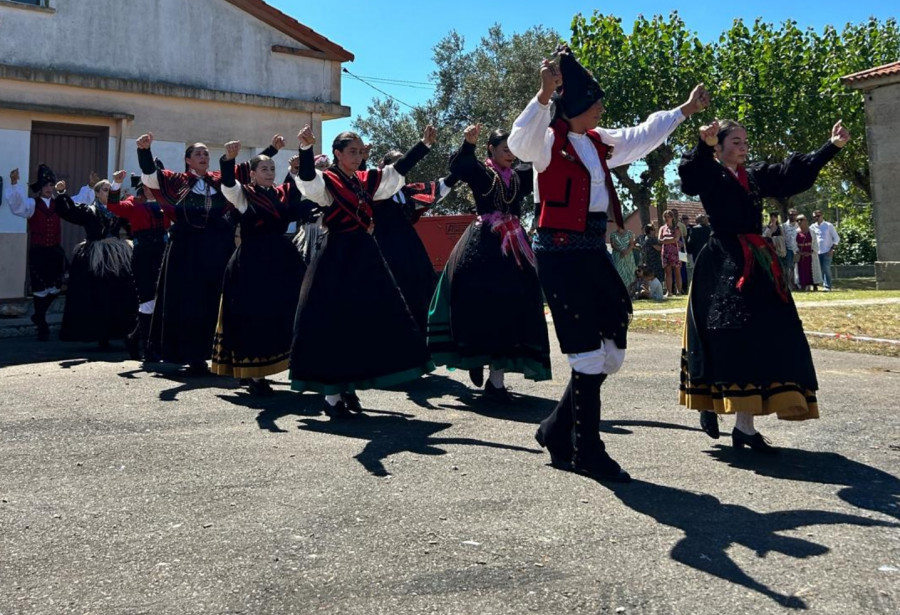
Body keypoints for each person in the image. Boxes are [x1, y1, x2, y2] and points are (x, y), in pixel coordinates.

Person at [507, 44, 709, 481]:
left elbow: (640, 135)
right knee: (585, 353)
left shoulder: (599, 143)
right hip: (558, 254)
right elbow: (517, 143)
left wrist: (683, 111)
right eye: (595, 103)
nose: (601, 109)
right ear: (575, 105)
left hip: (591, 253)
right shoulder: (546, 143)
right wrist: (543, 96)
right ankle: (587, 450)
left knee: (611, 347)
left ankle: (557, 429)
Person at [678, 118, 850, 452]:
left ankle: (745, 426)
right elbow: (689, 177)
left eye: (745, 141)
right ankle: (707, 402)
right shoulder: (710, 173)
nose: (743, 147)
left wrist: (832, 147)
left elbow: (792, 173)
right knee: (725, 335)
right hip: (722, 261)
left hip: (756, 261)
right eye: (736, 142)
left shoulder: (754, 176)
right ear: (720, 145)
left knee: (769, 332)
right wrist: (703, 144)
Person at [290, 125, 436, 417]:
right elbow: (307, 181)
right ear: (338, 154)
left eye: (360, 152)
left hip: (365, 255)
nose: (357, 157)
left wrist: (422, 145)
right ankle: (332, 398)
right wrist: (305, 150)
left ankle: (350, 388)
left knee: (364, 320)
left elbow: (395, 174)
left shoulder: (364, 180)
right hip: (337, 257)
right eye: (352, 152)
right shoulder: (327, 180)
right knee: (334, 323)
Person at [136, 134, 279, 375]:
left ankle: (222, 354)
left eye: (206, 154)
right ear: (188, 160)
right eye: (198, 154)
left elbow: (249, 167)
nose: (204, 157)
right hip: (186, 249)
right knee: (189, 301)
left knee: (219, 297)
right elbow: (151, 176)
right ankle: (193, 356)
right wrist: (144, 151)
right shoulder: (176, 180)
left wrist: (273, 149)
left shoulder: (219, 179)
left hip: (218, 247)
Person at [427, 124, 552, 399]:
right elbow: (460, 166)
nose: (510, 153)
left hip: (515, 246)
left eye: (513, 149)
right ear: (491, 149)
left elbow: (546, 162)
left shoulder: (521, 175)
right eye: (505, 148)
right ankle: (475, 358)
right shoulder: (482, 173)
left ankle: (497, 381)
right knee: (479, 304)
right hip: (483, 244)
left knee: (512, 307)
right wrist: (468, 143)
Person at [211, 138, 316, 395]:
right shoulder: (244, 195)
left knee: (293, 307)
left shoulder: (281, 193)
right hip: (252, 263)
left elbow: (299, 205)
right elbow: (227, 185)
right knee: (254, 313)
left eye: (272, 169)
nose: (270, 173)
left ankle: (296, 361)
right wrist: (228, 161)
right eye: (264, 169)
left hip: (281, 259)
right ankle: (254, 374)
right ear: (253, 174)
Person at [372, 150, 458, 333]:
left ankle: (425, 333)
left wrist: (457, 173)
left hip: (410, 245)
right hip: (385, 246)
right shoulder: (376, 192)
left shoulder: (409, 191)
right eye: (396, 162)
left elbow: (436, 190)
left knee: (421, 285)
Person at [3, 165, 90, 341]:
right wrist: (14, 184)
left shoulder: (59, 204)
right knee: (39, 289)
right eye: (46, 186)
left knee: (56, 289)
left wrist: (89, 187)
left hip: (55, 252)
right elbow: (17, 206)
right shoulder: (31, 204)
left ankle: (38, 316)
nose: (49, 188)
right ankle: (42, 324)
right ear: (40, 188)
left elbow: (76, 203)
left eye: (51, 185)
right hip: (38, 252)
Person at [52, 177, 138, 348]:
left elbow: (132, 226)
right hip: (95, 256)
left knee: (121, 294)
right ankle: (100, 336)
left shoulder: (118, 211)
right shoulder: (89, 211)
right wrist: (62, 193)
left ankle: (124, 333)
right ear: (97, 194)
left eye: (110, 189)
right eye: (105, 189)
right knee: (97, 296)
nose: (108, 192)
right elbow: (69, 211)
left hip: (116, 256)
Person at [106, 167, 175, 360]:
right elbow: (113, 206)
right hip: (143, 255)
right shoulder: (133, 203)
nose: (152, 188)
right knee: (147, 302)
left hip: (164, 253)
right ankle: (149, 348)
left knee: (160, 301)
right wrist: (116, 184)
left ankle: (135, 338)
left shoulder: (166, 204)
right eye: (148, 185)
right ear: (143, 186)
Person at [810, 209, 840, 291]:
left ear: (822, 215)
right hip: (816, 252)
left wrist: (832, 249)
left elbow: (836, 238)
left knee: (826, 268)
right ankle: (816, 285)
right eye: (814, 217)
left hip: (827, 251)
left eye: (818, 216)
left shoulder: (828, 225)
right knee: (817, 269)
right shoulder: (812, 227)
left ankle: (827, 286)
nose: (816, 218)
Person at [658, 209, 682, 296]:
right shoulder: (662, 228)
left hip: (675, 252)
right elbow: (660, 240)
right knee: (668, 272)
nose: (667, 218)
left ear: (672, 217)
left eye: (668, 217)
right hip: (666, 253)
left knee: (677, 272)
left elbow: (676, 239)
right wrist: (670, 240)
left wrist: (666, 239)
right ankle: (669, 292)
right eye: (665, 217)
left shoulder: (676, 228)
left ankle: (679, 291)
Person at [610, 224, 637, 289]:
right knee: (619, 272)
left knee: (630, 272)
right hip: (618, 255)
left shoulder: (629, 233)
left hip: (628, 256)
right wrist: (621, 250)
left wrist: (627, 251)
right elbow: (613, 245)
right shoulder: (613, 234)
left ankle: (631, 290)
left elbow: (631, 244)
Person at [795, 214, 815, 291]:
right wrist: (799, 252)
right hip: (800, 255)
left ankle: (813, 285)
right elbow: (794, 244)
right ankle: (802, 285)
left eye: (801, 220)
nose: (799, 222)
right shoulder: (795, 232)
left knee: (810, 270)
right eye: (798, 220)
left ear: (806, 221)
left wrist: (811, 252)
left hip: (810, 254)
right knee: (801, 270)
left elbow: (815, 243)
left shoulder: (812, 232)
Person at [782, 208, 799, 289]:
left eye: (794, 214)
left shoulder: (799, 225)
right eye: (791, 214)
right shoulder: (784, 226)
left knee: (797, 268)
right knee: (789, 268)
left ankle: (797, 284)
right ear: (788, 215)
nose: (792, 216)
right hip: (788, 250)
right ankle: (789, 285)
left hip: (797, 250)